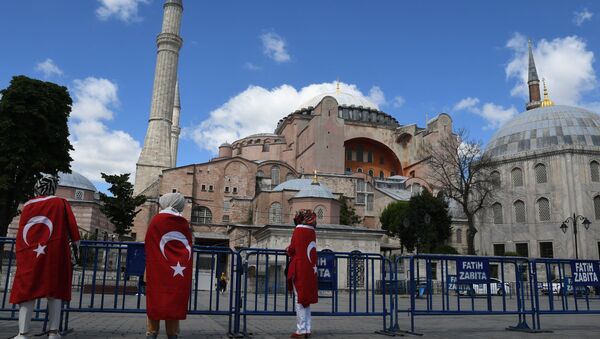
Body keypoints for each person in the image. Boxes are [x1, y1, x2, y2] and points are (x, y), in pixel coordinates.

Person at [10, 174, 80, 339]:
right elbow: (73, 229)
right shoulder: (60, 203)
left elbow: (22, 231)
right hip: (54, 254)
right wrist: (76, 250)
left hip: (28, 254)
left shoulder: (27, 205)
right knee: (54, 291)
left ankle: (22, 333)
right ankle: (53, 332)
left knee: (27, 290)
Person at [145, 193, 193, 339]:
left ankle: (152, 332)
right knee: (174, 299)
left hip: (157, 268)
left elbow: (149, 242)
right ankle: (172, 334)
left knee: (155, 298)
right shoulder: (183, 223)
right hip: (178, 270)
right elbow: (187, 245)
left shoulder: (156, 220)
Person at [286, 209, 318, 338]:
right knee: (307, 300)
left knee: (299, 299)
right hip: (310, 269)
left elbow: (293, 249)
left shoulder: (298, 230)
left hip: (299, 268)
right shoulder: (312, 232)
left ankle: (301, 330)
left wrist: (287, 250)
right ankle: (307, 328)